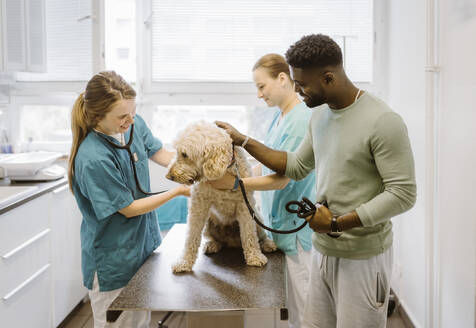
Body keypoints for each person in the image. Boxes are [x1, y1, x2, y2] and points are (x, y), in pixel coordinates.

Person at [216, 34, 416, 328]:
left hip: (362, 257)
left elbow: (403, 193)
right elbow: (296, 165)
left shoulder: (383, 121)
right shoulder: (320, 115)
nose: (298, 91)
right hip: (323, 249)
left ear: (328, 77)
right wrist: (244, 140)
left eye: (302, 84)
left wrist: (337, 223)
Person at [68, 71, 190, 328]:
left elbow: (159, 153)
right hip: (114, 258)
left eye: (133, 112)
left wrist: (191, 170)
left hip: (141, 249)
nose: (131, 119)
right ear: (98, 116)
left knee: (140, 322)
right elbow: (129, 209)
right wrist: (178, 190)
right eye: (122, 116)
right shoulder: (93, 158)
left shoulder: (132, 123)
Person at [212, 53, 316, 328]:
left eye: (262, 86)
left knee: (306, 315)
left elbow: (282, 178)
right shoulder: (280, 117)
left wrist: (235, 185)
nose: (259, 95)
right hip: (280, 225)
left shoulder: (298, 121)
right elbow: (266, 166)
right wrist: (235, 175)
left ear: (283, 79)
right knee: (292, 312)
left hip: (296, 230)